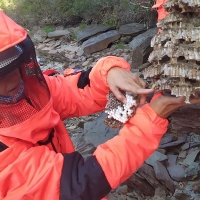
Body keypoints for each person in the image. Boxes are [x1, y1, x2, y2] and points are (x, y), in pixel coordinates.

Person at [0, 11, 199, 200]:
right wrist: (152, 118)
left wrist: (109, 72)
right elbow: (79, 185)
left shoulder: (32, 88)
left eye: (13, 69)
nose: (11, 83)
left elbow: (77, 90)